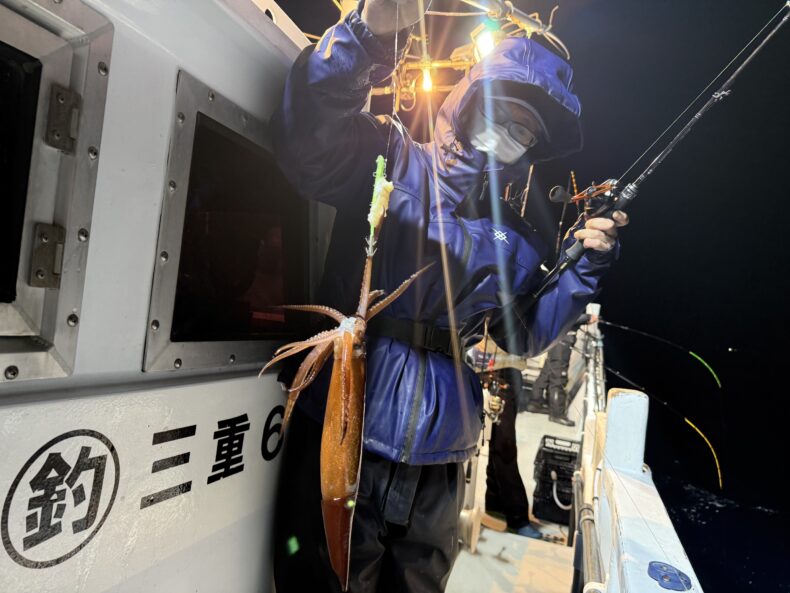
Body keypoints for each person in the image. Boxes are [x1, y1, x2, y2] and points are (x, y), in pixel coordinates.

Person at [270, 1, 629, 591]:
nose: (507, 135)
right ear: (469, 99)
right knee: (323, 577)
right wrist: (364, 37)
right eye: (501, 113)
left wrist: (583, 266)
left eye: (523, 133)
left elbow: (521, 332)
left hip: (441, 462)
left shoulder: (515, 237)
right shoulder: (389, 159)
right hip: (348, 428)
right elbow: (308, 141)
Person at [483, 368, 542, 539]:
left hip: (509, 373)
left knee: (499, 439)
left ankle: (495, 501)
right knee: (504, 446)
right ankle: (517, 518)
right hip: (494, 375)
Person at [527, 313, 598, 426]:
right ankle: (557, 414)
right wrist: (587, 318)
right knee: (559, 376)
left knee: (548, 370)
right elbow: (567, 316)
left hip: (556, 339)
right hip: (563, 339)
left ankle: (535, 403)